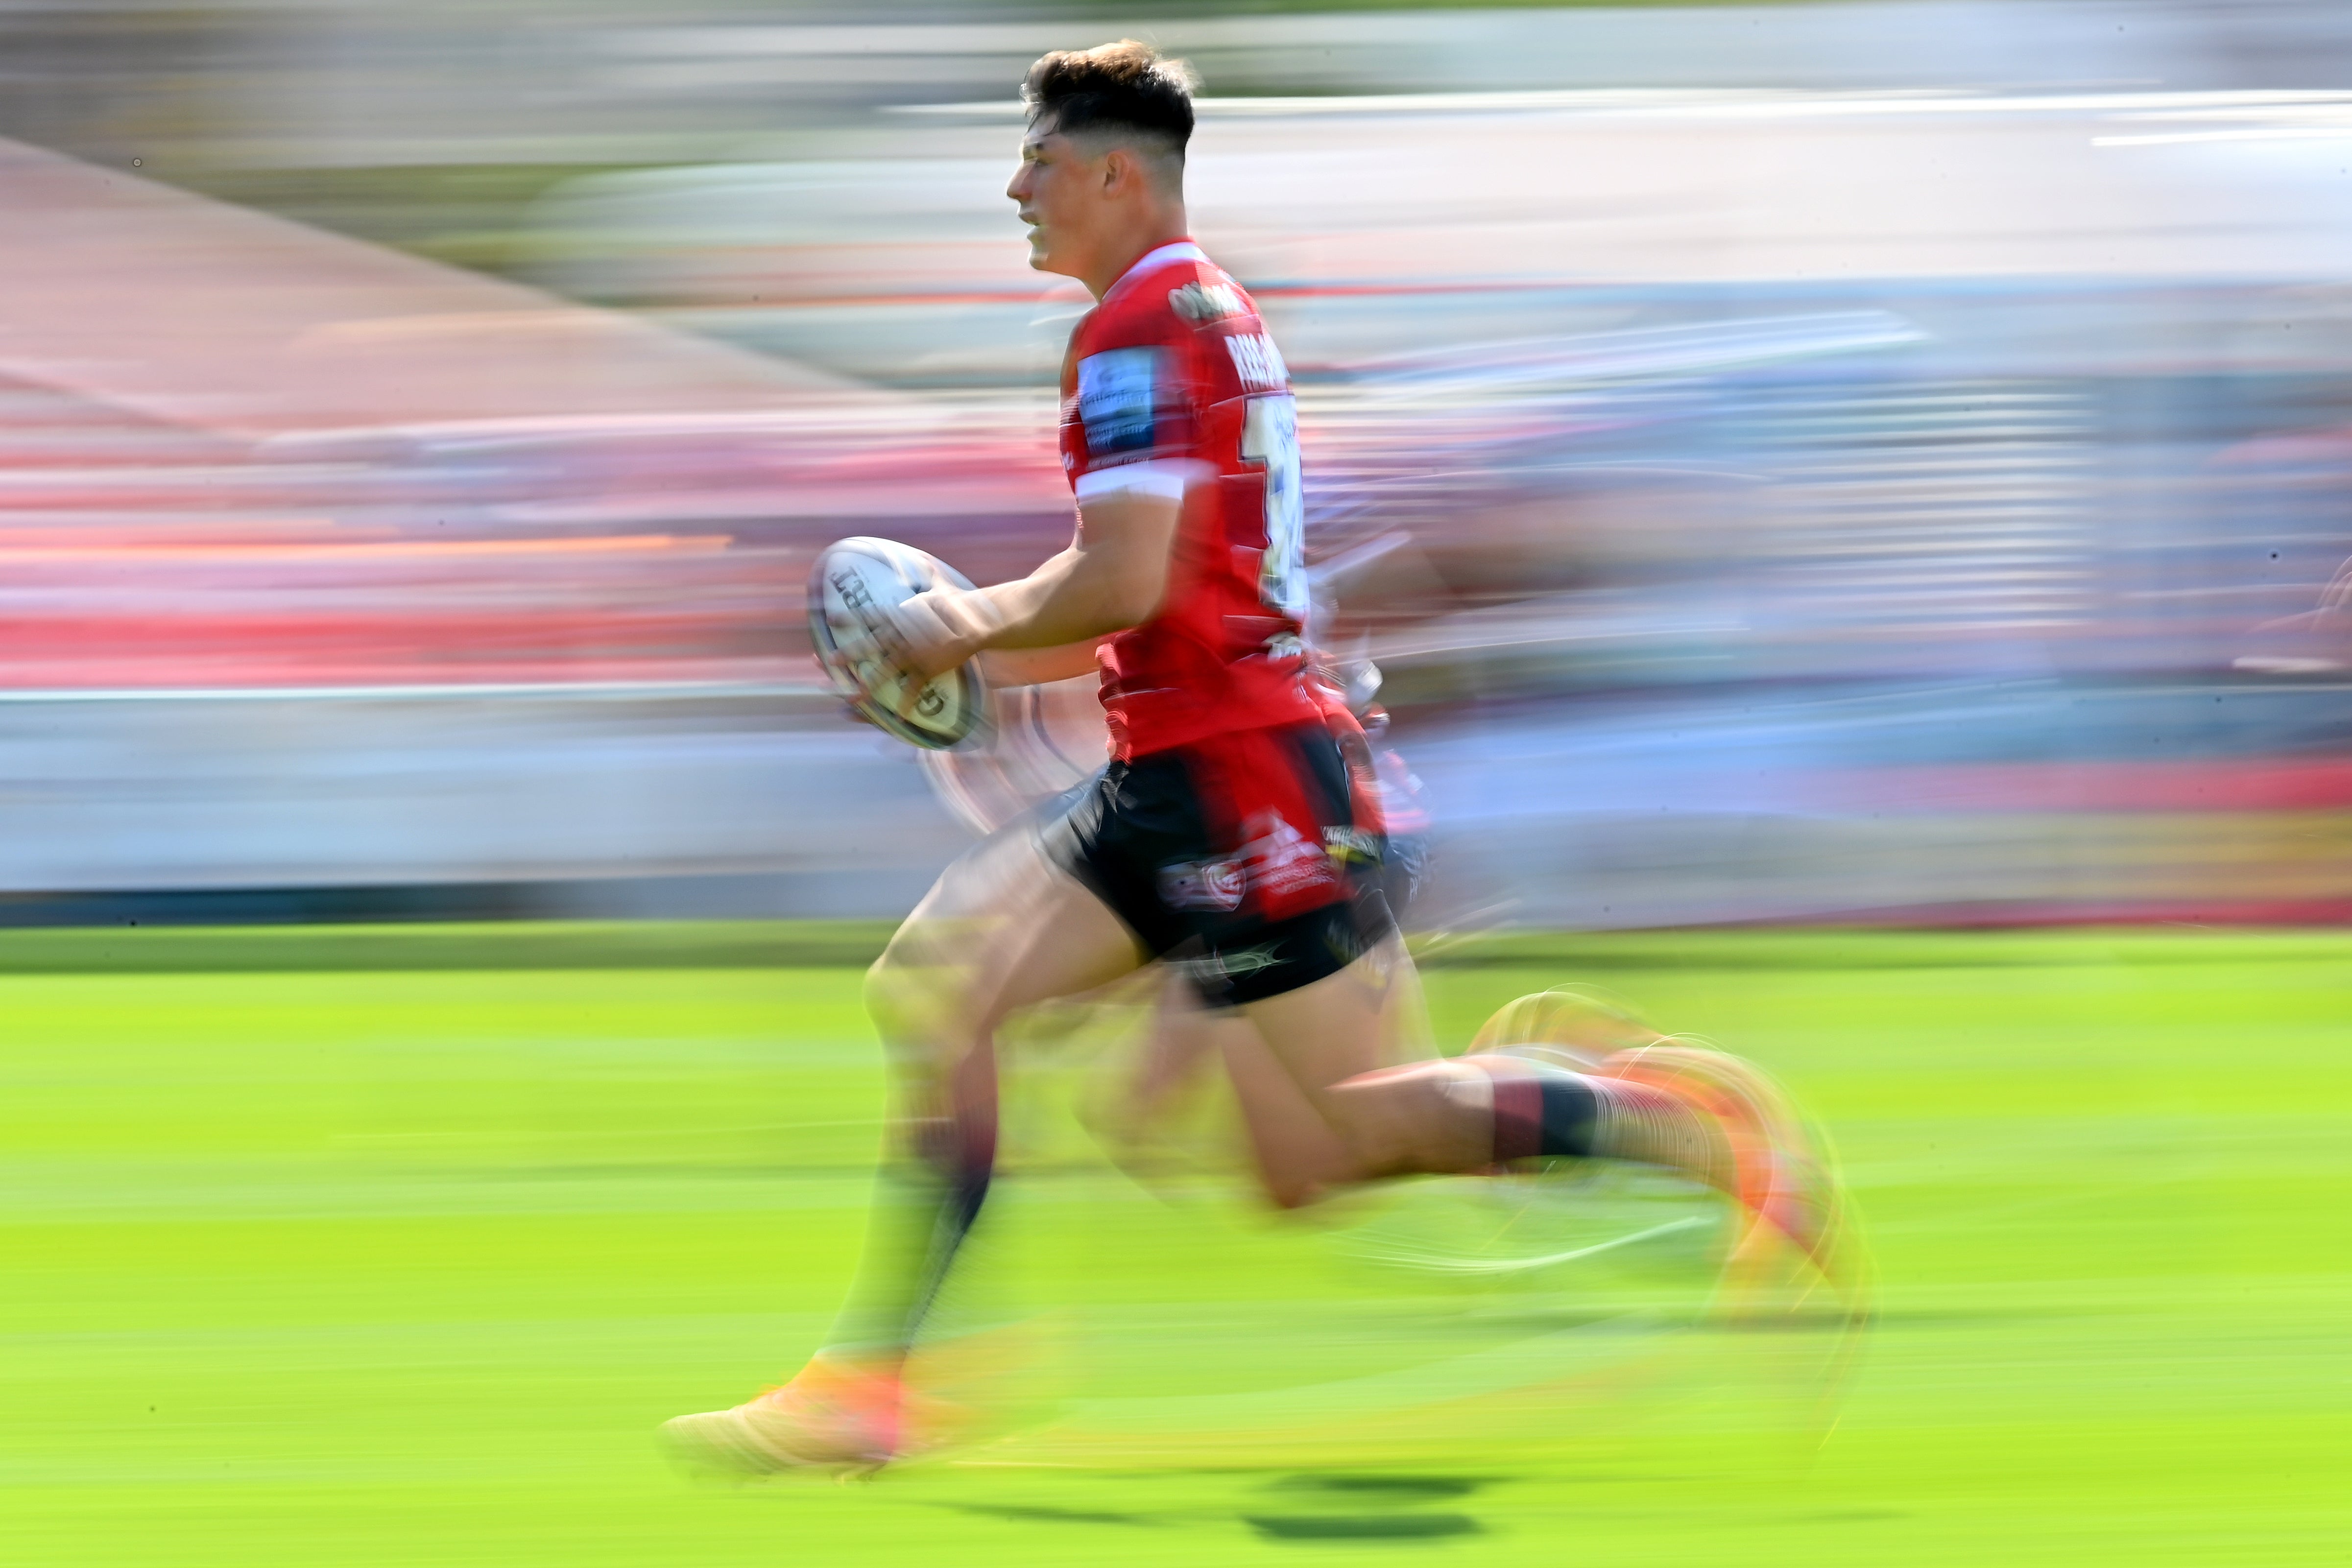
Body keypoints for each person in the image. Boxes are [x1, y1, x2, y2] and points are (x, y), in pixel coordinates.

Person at [662, 40, 1858, 1474]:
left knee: (1356, 1135)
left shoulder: (1138, 329)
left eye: (1039, 161)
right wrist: (959, 654)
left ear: (1116, 174)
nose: (1016, 187)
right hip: (1187, 763)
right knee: (981, 1016)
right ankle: (903, 1375)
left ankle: (1682, 1131)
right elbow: (1147, 593)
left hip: (1236, 778)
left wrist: (953, 628)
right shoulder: (1189, 310)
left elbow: (1122, 576)